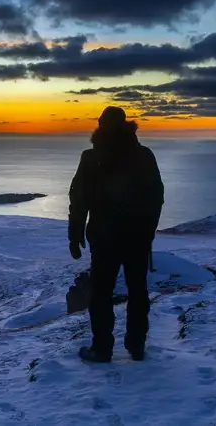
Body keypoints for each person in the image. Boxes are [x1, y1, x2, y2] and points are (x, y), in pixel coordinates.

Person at [68, 106, 164, 363]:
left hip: (104, 236)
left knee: (102, 292)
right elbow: (157, 197)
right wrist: (148, 231)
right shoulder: (144, 155)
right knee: (137, 290)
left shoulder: (91, 157)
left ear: (102, 125)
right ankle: (136, 345)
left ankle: (102, 349)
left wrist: (74, 234)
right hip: (136, 236)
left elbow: (79, 200)